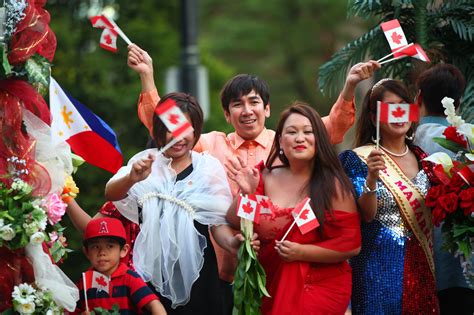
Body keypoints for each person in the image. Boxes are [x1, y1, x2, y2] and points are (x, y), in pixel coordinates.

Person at [127, 43, 380, 291]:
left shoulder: (286, 142)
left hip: (281, 264)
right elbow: (167, 131)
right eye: (237, 104)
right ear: (227, 114)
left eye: (254, 102)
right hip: (223, 267)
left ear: (267, 108)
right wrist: (147, 76)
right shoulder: (210, 145)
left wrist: (350, 86)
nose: (247, 110)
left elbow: (333, 127)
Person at [105, 92, 249, 314]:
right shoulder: (144, 163)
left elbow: (217, 224)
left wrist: (232, 244)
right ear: (160, 130)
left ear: (196, 131)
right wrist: (131, 178)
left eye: (186, 129)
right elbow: (111, 192)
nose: (178, 137)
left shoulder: (207, 168)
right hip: (149, 276)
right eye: (171, 128)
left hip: (199, 277)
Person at [225, 103, 361, 314]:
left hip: (319, 286)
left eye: (308, 132)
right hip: (268, 284)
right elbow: (236, 220)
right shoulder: (263, 176)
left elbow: (350, 245)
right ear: (280, 140)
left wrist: (301, 252)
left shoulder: (333, 186)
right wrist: (246, 192)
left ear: (319, 139)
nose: (300, 138)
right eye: (291, 132)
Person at [339, 79, 439, 314]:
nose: (399, 113)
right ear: (374, 118)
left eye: (403, 106)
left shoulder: (424, 159)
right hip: (375, 274)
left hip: (422, 268)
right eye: (390, 108)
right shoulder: (358, 159)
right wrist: (372, 178)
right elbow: (366, 214)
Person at [414, 64, 474, 314]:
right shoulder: (468, 139)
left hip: (422, 265)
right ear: (458, 103)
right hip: (466, 264)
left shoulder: (406, 141)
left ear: (418, 98)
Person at [75, 217, 166, 314]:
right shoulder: (84, 281)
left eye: (110, 246)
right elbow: (69, 310)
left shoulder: (130, 278)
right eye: (95, 247)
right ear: (86, 252)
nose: (102, 252)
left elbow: (155, 305)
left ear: (123, 250)